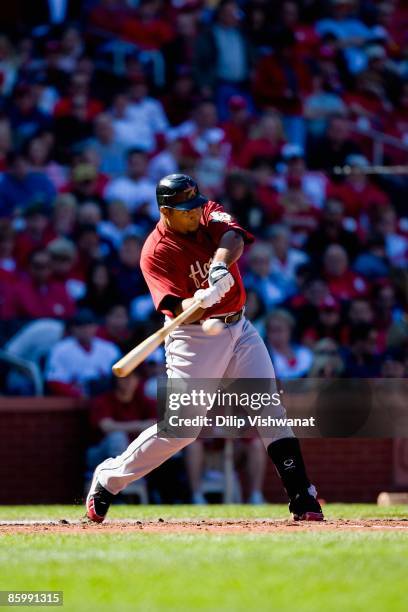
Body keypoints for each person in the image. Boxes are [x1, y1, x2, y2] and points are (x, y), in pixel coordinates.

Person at [86, 173, 324, 523]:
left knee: (269, 408)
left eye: (196, 205)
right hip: (191, 335)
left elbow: (233, 237)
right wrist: (196, 300)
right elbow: (172, 306)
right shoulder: (155, 251)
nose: (195, 213)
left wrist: (217, 267)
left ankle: (302, 496)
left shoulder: (205, 211)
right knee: (181, 430)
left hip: (238, 326)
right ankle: (108, 478)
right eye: (185, 210)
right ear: (166, 211)